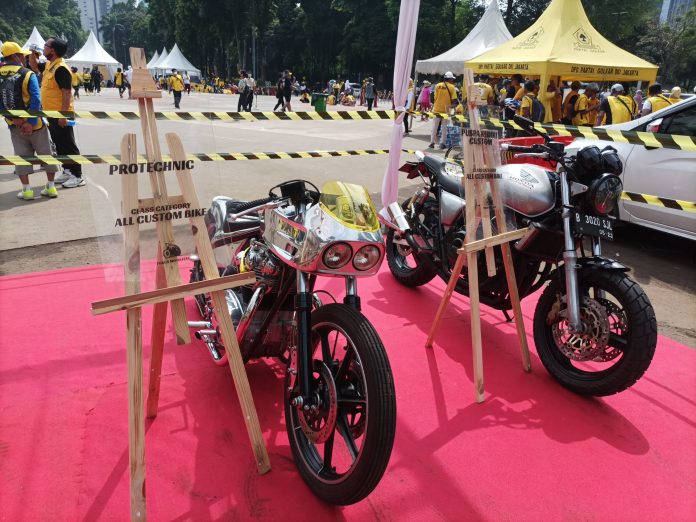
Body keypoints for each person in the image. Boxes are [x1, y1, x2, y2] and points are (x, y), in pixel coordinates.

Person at [0, 41, 60, 200]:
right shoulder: (27, 74)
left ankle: (26, 190)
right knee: (46, 154)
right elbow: (36, 99)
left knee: (21, 157)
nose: (23, 58)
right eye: (21, 55)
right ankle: (51, 187)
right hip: (36, 125)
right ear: (15, 56)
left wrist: (14, 119)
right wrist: (29, 122)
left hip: (14, 125)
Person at [34, 37, 85, 188]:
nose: (43, 48)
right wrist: (32, 52)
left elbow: (66, 93)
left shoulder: (61, 68)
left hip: (61, 114)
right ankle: (67, 170)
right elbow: (34, 66)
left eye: (46, 45)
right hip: (50, 114)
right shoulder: (49, 65)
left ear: (53, 50)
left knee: (68, 144)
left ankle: (77, 175)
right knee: (59, 144)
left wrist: (63, 115)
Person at [430, 71, 458, 149]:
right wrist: (453, 109)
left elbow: (434, 97)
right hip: (446, 110)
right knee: (444, 127)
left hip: (436, 108)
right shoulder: (452, 87)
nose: (452, 80)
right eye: (452, 79)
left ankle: (432, 143)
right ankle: (443, 143)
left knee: (434, 126)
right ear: (450, 79)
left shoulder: (437, 85)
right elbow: (454, 99)